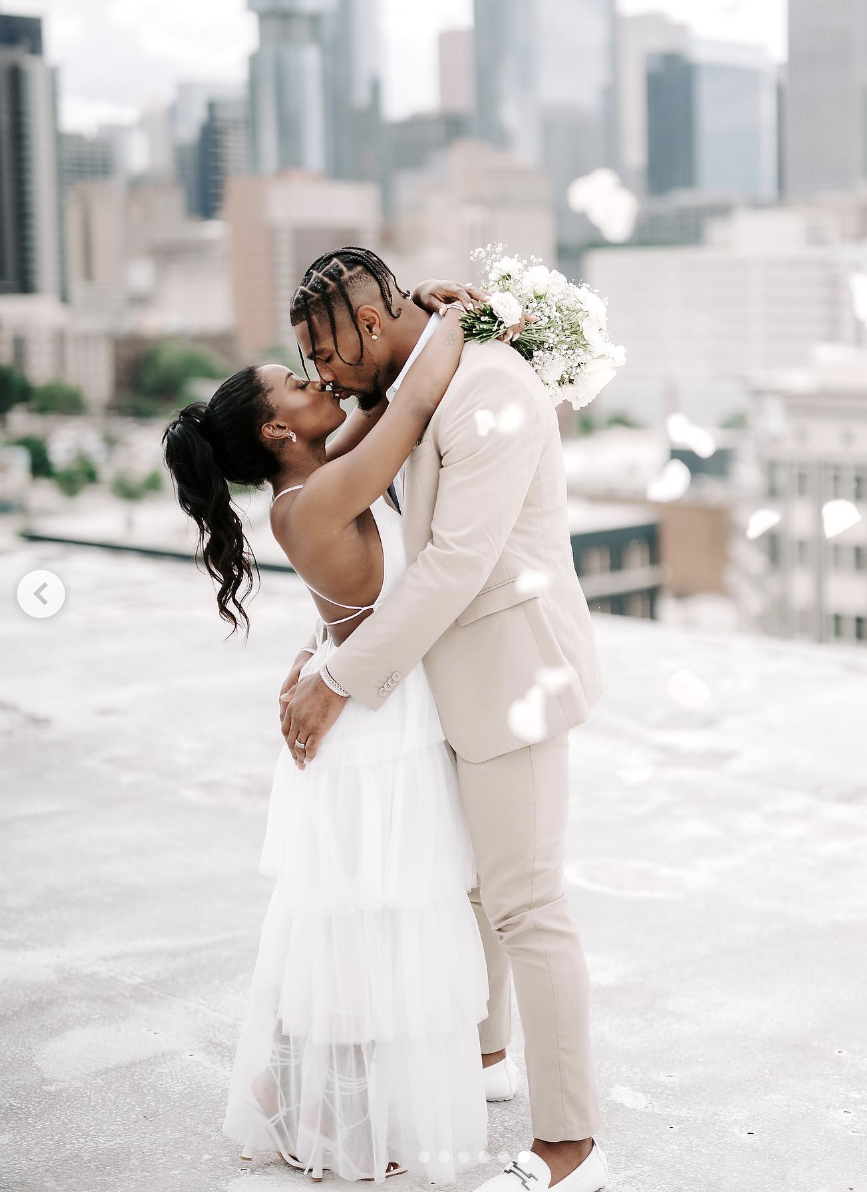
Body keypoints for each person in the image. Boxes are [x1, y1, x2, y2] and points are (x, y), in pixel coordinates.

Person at [162, 276, 510, 1184]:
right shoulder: (316, 495)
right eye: (298, 381)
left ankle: (299, 1087)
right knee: (364, 932)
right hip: (373, 742)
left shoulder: (317, 472)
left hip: (378, 719)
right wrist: (454, 314)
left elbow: (386, 395)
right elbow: (417, 397)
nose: (321, 381)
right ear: (278, 431)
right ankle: (314, 1103)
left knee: (359, 927)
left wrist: (415, 310)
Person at [280, 248, 608, 1192]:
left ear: (373, 328)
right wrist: (320, 649)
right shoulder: (422, 376)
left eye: (325, 351)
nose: (322, 376)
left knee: (528, 906)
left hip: (516, 678)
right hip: (452, 684)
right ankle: (486, 1059)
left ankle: (570, 1144)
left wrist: (340, 679)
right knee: (474, 891)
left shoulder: (490, 390)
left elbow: (454, 566)